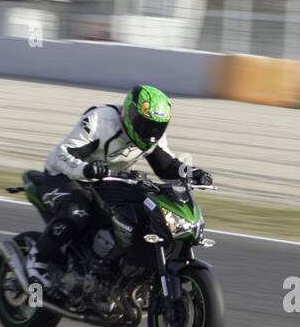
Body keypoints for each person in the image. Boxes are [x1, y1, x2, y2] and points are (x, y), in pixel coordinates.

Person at [25, 84, 212, 287]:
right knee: (77, 212)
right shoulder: (100, 120)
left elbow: (166, 165)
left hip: (108, 181)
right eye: (145, 124)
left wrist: (191, 173)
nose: (151, 132)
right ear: (131, 114)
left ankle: (120, 271)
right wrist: (86, 169)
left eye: (157, 127)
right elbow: (63, 154)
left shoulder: (151, 137)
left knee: (142, 210)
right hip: (63, 175)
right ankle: (37, 260)